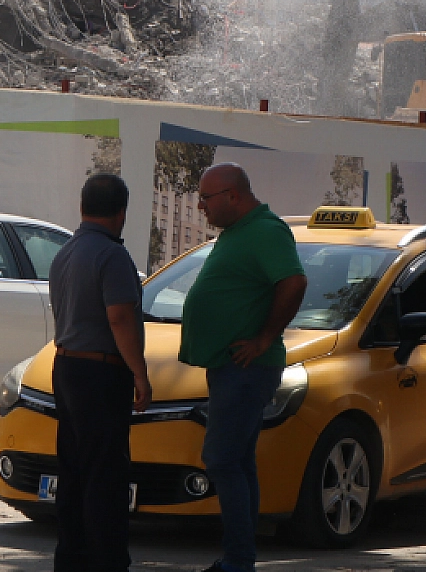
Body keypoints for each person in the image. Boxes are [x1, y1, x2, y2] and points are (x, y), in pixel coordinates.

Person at [177, 164, 307, 572]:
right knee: (238, 461)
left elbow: (294, 282)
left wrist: (264, 338)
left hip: (247, 368)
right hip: (229, 367)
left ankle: (238, 559)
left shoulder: (267, 230)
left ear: (233, 195)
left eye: (206, 198)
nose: (200, 207)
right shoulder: (237, 232)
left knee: (222, 460)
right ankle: (240, 557)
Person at [47, 173, 151, 572]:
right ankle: (108, 561)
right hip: (101, 374)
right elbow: (121, 318)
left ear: (82, 207)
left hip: (67, 366)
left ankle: (71, 559)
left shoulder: (66, 252)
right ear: (122, 212)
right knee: (105, 477)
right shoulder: (112, 256)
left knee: (72, 473)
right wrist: (140, 374)